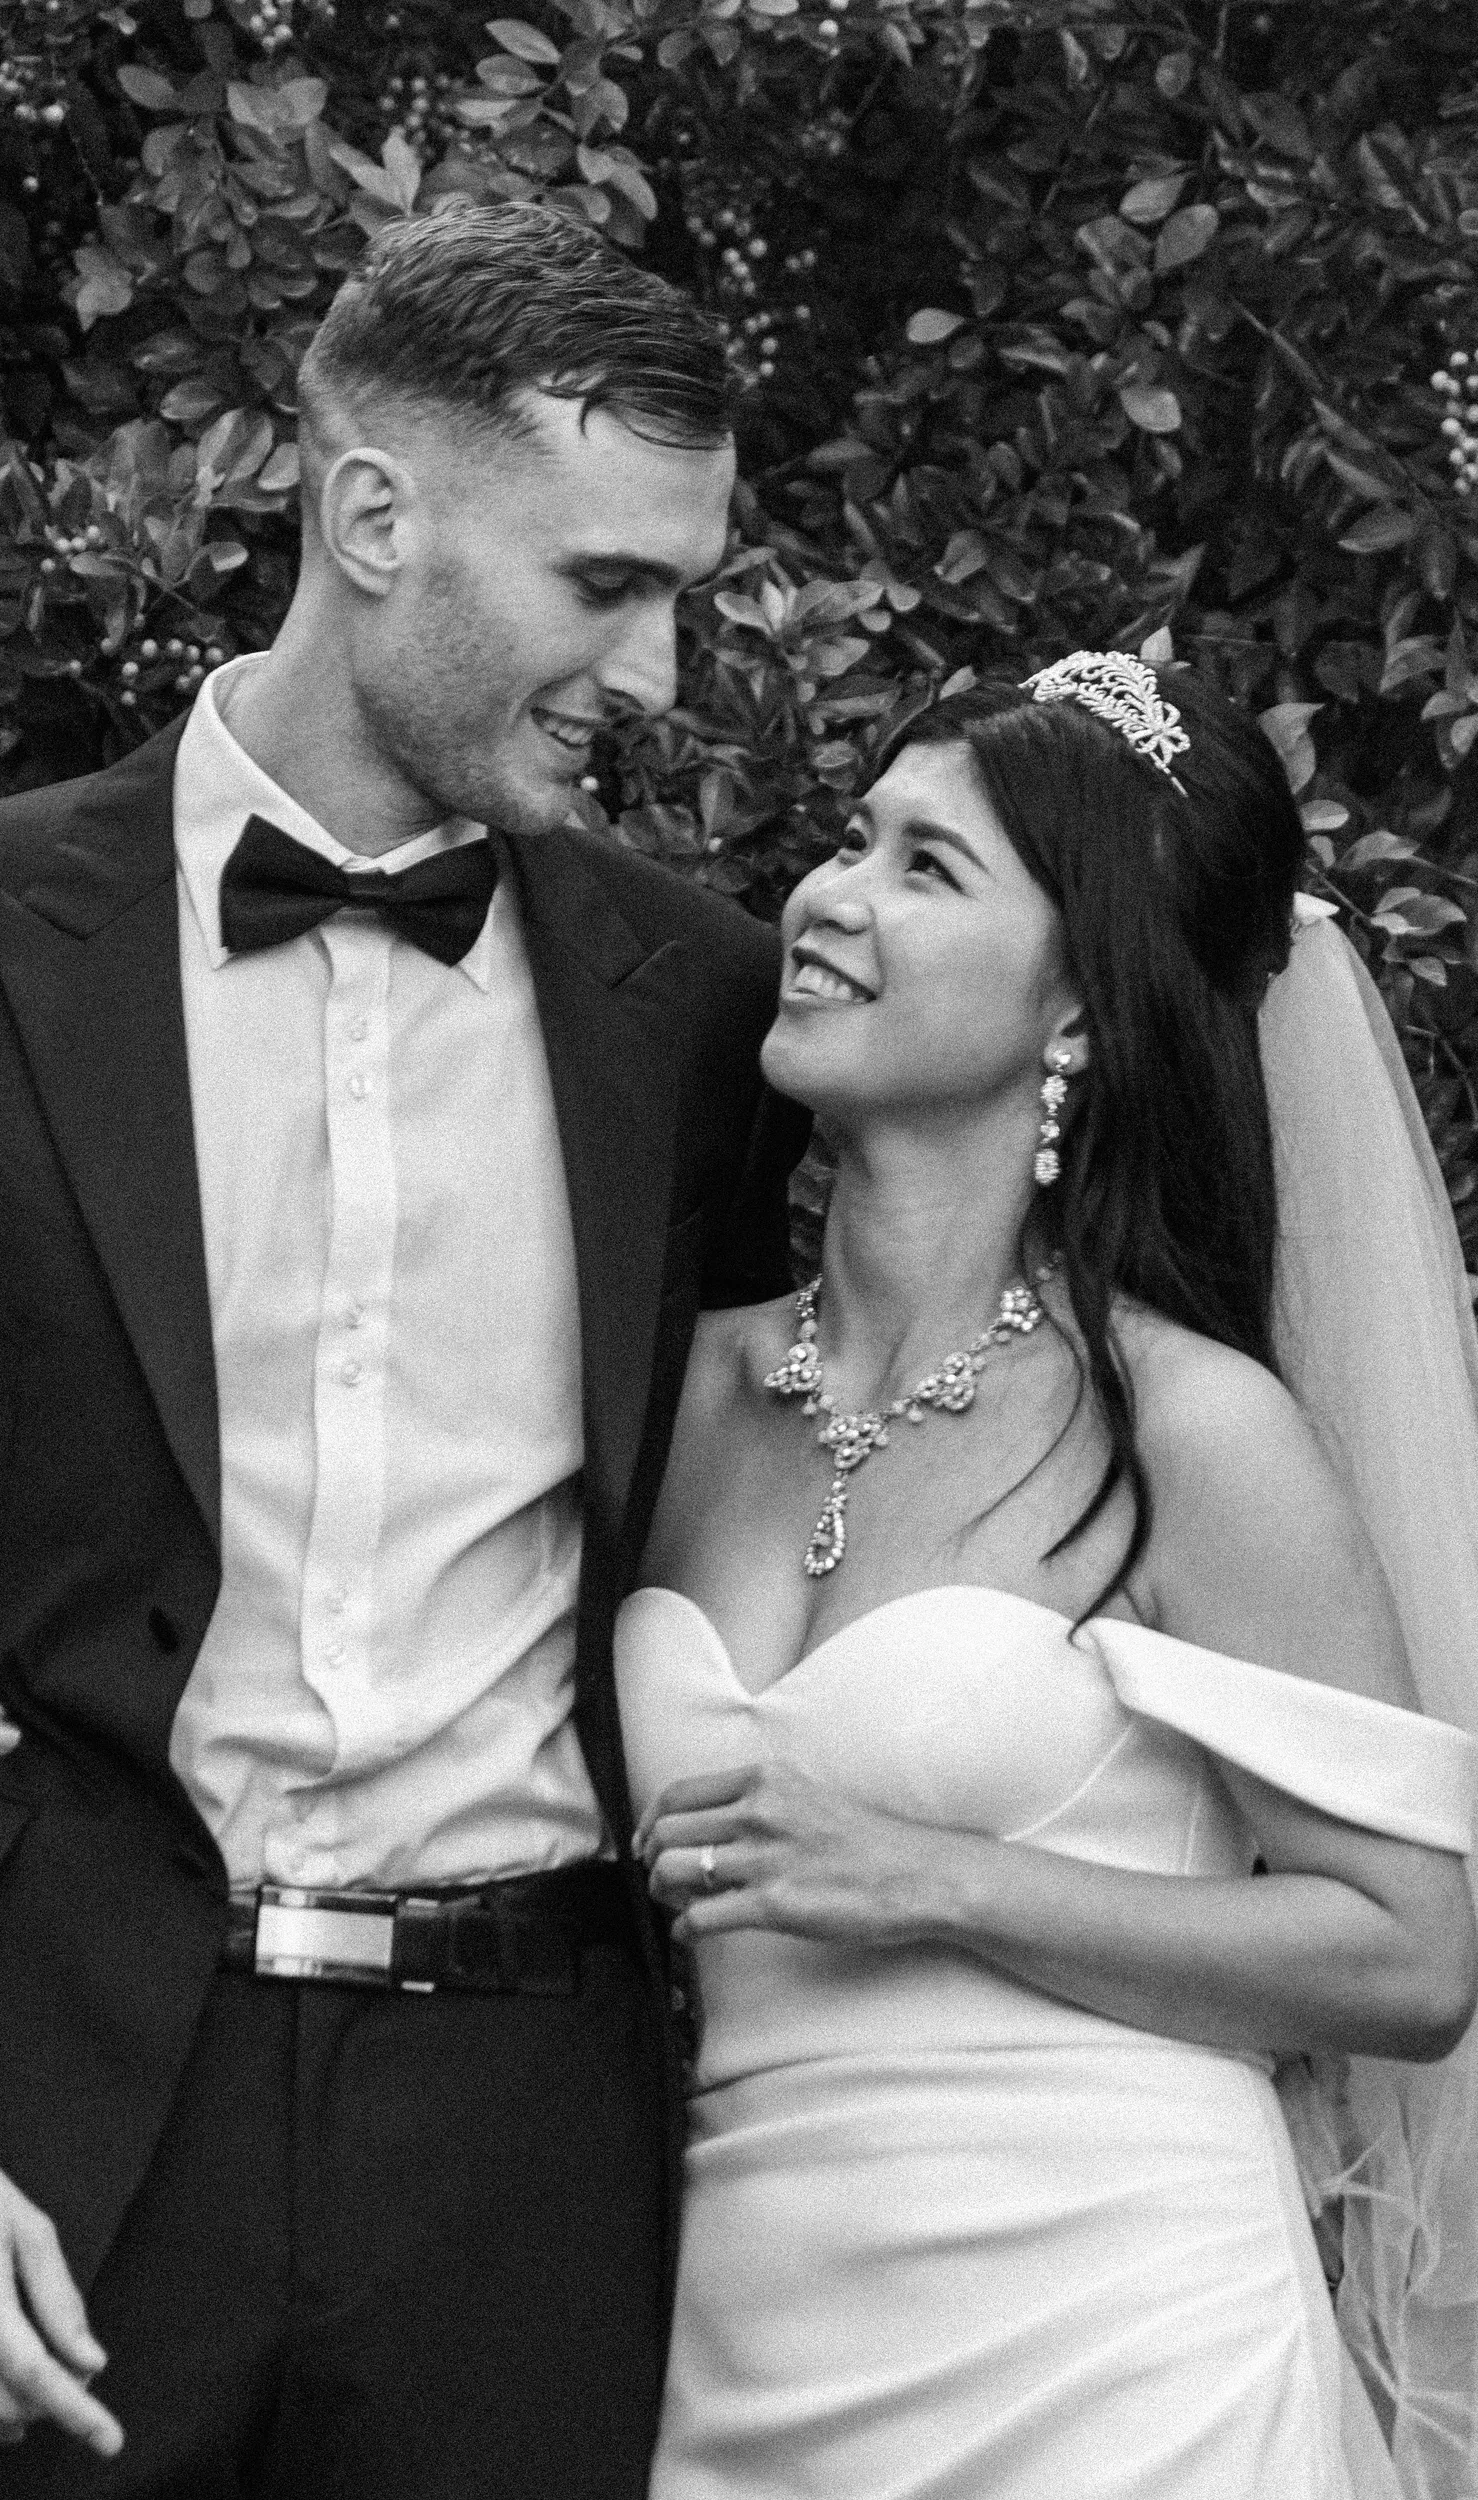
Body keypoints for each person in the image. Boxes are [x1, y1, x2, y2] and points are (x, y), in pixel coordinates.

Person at [0, 201, 806, 2497]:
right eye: (602, 584)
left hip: (522, 2150)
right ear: (373, 514)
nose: (655, 673)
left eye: (680, 589)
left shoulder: (708, 1009)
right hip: (33, 2115)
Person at [618, 660, 1478, 2497]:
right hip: (734, 2329)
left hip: (1116, 2351)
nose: (831, 896)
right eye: (851, 838)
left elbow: (1410, 1956)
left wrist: (929, 1876)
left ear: (1078, 990)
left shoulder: (1188, 1429)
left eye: (928, 869)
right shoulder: (670, 1389)